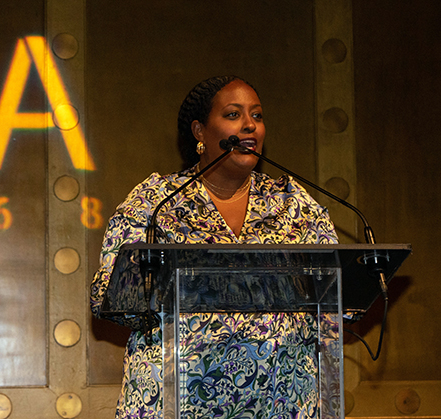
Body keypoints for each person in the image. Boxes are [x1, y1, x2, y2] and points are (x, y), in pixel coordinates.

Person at [90, 75, 338, 419]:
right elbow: (109, 294)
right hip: (178, 397)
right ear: (199, 132)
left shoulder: (293, 202)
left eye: (258, 116)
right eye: (234, 115)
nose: (250, 125)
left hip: (281, 398)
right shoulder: (156, 202)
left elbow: (337, 294)